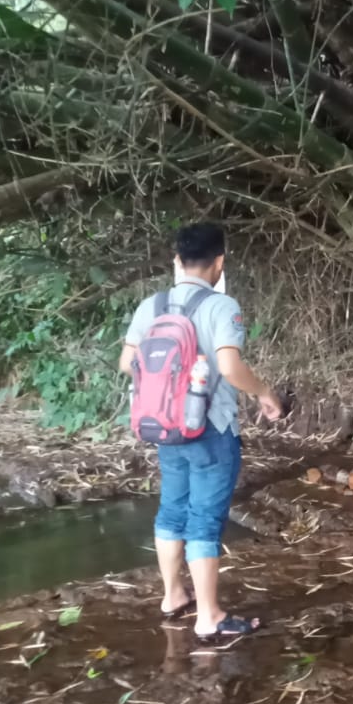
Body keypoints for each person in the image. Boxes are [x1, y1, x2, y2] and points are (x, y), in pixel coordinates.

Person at [119, 222, 282, 638]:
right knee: (205, 520)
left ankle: (173, 595)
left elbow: (127, 364)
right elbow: (229, 367)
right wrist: (264, 392)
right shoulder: (221, 307)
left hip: (165, 426)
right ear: (219, 263)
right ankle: (208, 616)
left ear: (177, 261)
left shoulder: (151, 306)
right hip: (210, 427)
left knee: (172, 509)